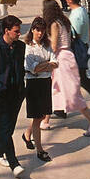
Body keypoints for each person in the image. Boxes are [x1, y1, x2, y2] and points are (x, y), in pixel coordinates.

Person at [42, 0, 90, 136]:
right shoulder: (64, 21)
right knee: (55, 88)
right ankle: (46, 120)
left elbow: (54, 45)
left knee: (71, 93)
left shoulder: (55, 24)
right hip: (68, 56)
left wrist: (44, 42)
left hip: (61, 59)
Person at [0, 15, 27, 179]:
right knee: (5, 130)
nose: (19, 34)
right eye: (16, 31)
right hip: (1, 95)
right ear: (6, 31)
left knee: (7, 128)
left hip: (16, 94)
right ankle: (14, 163)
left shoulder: (20, 47)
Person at [20, 17, 57, 163]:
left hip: (46, 81)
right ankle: (40, 149)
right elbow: (32, 69)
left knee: (42, 115)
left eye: (42, 30)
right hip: (33, 84)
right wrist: (46, 65)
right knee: (37, 116)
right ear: (32, 30)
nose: (40, 33)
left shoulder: (47, 45)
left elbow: (55, 63)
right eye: (37, 30)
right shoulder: (28, 47)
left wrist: (42, 66)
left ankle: (27, 134)